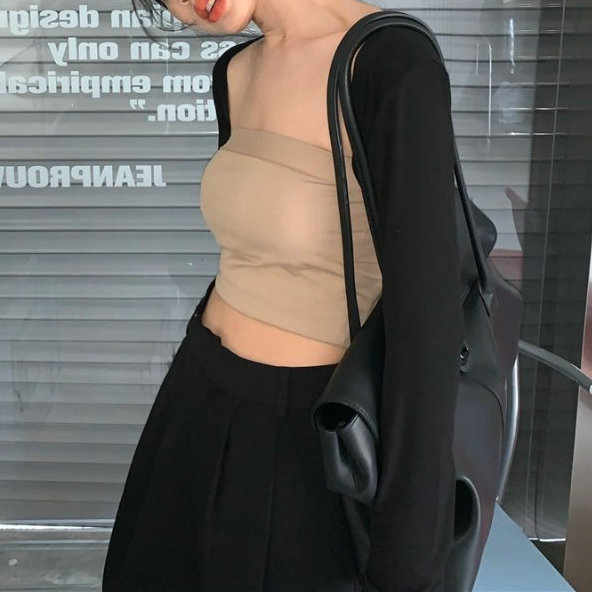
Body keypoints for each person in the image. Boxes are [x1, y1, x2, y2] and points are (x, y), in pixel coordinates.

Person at [102, 0, 465, 591]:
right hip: (198, 399)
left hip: (310, 430)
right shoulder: (236, 71)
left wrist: (409, 556)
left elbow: (427, 322)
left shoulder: (389, 61)